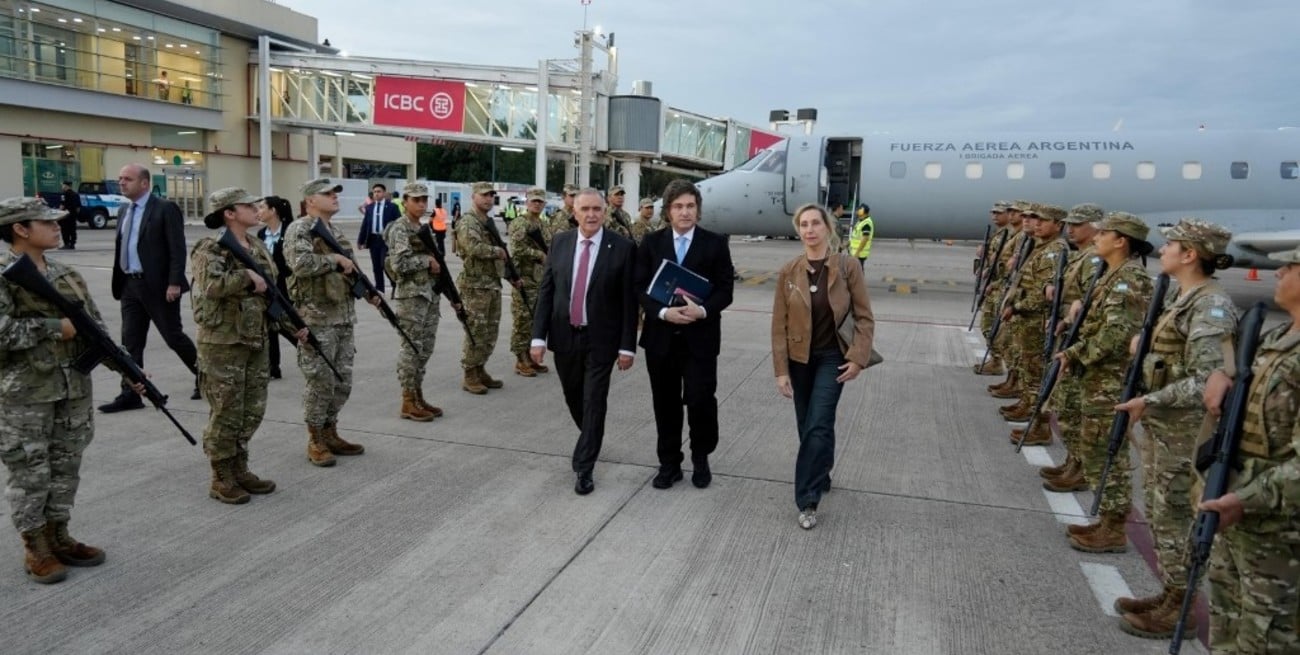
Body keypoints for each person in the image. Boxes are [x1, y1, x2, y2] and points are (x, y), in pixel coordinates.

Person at [0, 197, 145, 583]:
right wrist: (51, 328)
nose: (57, 227)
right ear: (20, 228)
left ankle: (59, 535)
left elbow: (96, 331)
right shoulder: (3, 274)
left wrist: (126, 369)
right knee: (31, 471)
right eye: (47, 223)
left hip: (73, 389)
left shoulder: (66, 274)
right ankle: (35, 545)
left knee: (66, 466)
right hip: (25, 394)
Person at [1107, 218, 1238, 639]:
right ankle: (1170, 593)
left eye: (1171, 245)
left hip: (1186, 433)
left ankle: (1178, 606)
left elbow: (1207, 378)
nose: (1161, 251)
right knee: (1163, 516)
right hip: (1167, 432)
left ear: (1190, 255)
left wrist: (1150, 400)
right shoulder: (1182, 298)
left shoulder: (1209, 306)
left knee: (1178, 519)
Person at [1198, 244, 1300, 655]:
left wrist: (1244, 499)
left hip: (1281, 535)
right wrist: (1223, 375)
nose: (1279, 274)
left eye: (1290, 267)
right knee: (1228, 627)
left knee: (1267, 639)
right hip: (1241, 519)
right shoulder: (1279, 336)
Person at [191, 188, 307, 504]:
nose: (256, 209)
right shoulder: (210, 248)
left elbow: (270, 292)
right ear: (229, 213)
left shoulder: (255, 245)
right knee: (226, 411)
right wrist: (245, 277)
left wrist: (291, 327)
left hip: (256, 338)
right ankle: (221, 476)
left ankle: (240, 469)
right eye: (248, 205)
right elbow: (211, 286)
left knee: (251, 410)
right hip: (223, 343)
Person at [771, 203, 875, 529]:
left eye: (816, 223)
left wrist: (858, 357)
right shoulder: (789, 270)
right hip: (799, 358)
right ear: (798, 230)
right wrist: (780, 369)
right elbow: (779, 324)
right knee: (809, 424)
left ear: (828, 228)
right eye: (804, 224)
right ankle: (822, 469)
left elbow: (864, 317)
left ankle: (807, 500)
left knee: (818, 422)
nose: (810, 229)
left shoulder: (847, 267)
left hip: (833, 357)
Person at [1055, 212, 1154, 553]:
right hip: (1096, 377)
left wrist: (1076, 352)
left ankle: (1114, 528)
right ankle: (1107, 521)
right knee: (1095, 449)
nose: (1097, 235)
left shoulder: (1130, 279)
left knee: (1106, 451)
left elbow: (1116, 333)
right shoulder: (1109, 273)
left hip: (1109, 380)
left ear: (1121, 240)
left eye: (1105, 232)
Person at [530, 188, 637, 495]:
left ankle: (584, 466)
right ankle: (591, 435)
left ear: (605, 213)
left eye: (597, 209)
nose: (591, 215)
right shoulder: (560, 242)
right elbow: (547, 293)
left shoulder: (622, 247)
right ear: (574, 212)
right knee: (574, 397)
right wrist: (538, 338)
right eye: (585, 209)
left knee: (594, 401)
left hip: (601, 339)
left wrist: (627, 345)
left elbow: (629, 302)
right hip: (564, 336)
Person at [634, 179, 735, 490]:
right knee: (664, 404)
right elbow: (639, 287)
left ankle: (701, 458)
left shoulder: (715, 243)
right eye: (678, 206)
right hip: (661, 340)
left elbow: (725, 290)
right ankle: (669, 463)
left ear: (698, 210)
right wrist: (663, 312)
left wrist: (702, 311)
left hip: (700, 339)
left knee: (701, 400)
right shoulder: (651, 244)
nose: (685, 212)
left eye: (690, 206)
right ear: (668, 212)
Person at [99, 163, 200, 413]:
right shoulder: (124, 210)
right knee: (130, 343)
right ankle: (130, 393)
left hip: (158, 286)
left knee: (173, 337)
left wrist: (174, 282)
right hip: (129, 285)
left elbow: (177, 248)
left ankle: (205, 377)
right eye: (120, 178)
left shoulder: (165, 209)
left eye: (128, 179)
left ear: (144, 183)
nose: (122, 182)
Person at [282, 178, 370, 466]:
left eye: (335, 193)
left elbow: (352, 269)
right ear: (310, 200)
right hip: (316, 319)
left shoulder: (334, 230)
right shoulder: (299, 229)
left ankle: (331, 431)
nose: (335, 197)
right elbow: (300, 265)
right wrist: (333, 260)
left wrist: (368, 291)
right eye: (327, 194)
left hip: (342, 317)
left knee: (341, 381)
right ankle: (315, 438)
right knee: (320, 381)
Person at [1038, 203, 1104, 492]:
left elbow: (1091, 304)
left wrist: (1068, 320)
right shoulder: (1082, 255)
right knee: (1068, 405)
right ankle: (1073, 463)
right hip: (1070, 332)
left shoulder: (1092, 259)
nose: (1071, 228)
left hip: (1081, 341)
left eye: (1078, 224)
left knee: (1076, 408)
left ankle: (1079, 468)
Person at [1001, 204, 1067, 446]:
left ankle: (1039, 424)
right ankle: (1031, 412)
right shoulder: (1041, 246)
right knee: (1030, 371)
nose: (1036, 224)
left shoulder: (1055, 250)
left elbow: (1042, 293)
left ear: (1058, 225)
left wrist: (1017, 307)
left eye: (1042, 220)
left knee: (1037, 374)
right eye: (1034, 219)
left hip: (1036, 320)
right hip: (1028, 319)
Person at [383, 182, 444, 422]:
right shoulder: (400, 228)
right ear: (405, 201)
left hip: (428, 295)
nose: (421, 204)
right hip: (411, 297)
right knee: (411, 348)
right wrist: (425, 261)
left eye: (423, 200)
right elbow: (399, 264)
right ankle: (407, 400)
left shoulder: (423, 227)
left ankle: (418, 395)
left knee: (425, 348)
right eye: (416, 200)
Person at [454, 181, 519, 394]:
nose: (488, 198)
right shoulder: (468, 222)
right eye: (484, 195)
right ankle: (470, 373)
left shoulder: (487, 221)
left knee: (490, 331)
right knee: (476, 330)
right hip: (474, 286)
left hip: (491, 284)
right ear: (474, 197)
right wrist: (497, 251)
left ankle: (481, 368)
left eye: (491, 195)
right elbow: (472, 247)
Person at [507, 187, 550, 377]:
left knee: (535, 320)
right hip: (524, 279)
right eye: (534, 201)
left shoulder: (543, 224)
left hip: (539, 279)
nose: (537, 204)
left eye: (540, 201)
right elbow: (516, 250)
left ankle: (531, 357)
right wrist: (538, 254)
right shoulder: (520, 223)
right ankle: (520, 359)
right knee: (522, 320)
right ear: (527, 202)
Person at [256, 195, 295, 380]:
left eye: (262, 207)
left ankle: (313, 353)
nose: (258, 211)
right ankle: (274, 367)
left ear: (273, 211)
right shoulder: (261, 234)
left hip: (287, 287)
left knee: (290, 326)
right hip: (269, 289)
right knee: (271, 326)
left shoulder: (289, 232)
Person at [357, 183, 399, 293]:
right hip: (373, 240)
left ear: (384, 193)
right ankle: (380, 289)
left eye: (379, 191)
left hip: (386, 240)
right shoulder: (370, 208)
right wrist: (360, 240)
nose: (376, 194)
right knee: (376, 266)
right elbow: (365, 224)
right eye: (374, 192)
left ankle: (394, 283)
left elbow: (398, 224)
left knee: (384, 264)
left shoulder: (392, 207)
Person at [57, 181, 79, 250]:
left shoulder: (64, 194)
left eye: (63, 185)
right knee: (72, 229)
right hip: (73, 215)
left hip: (65, 215)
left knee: (65, 230)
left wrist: (58, 213)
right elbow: (78, 207)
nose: (62, 187)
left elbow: (62, 205)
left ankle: (66, 244)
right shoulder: (75, 194)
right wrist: (75, 215)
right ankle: (72, 244)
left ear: (66, 186)